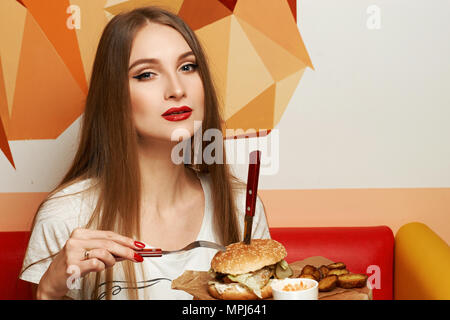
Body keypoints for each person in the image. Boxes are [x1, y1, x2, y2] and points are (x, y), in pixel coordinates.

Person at [19, 6, 270, 300]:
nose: (176, 89)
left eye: (188, 67)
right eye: (146, 74)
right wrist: (49, 291)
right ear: (114, 95)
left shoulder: (242, 207)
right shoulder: (65, 215)